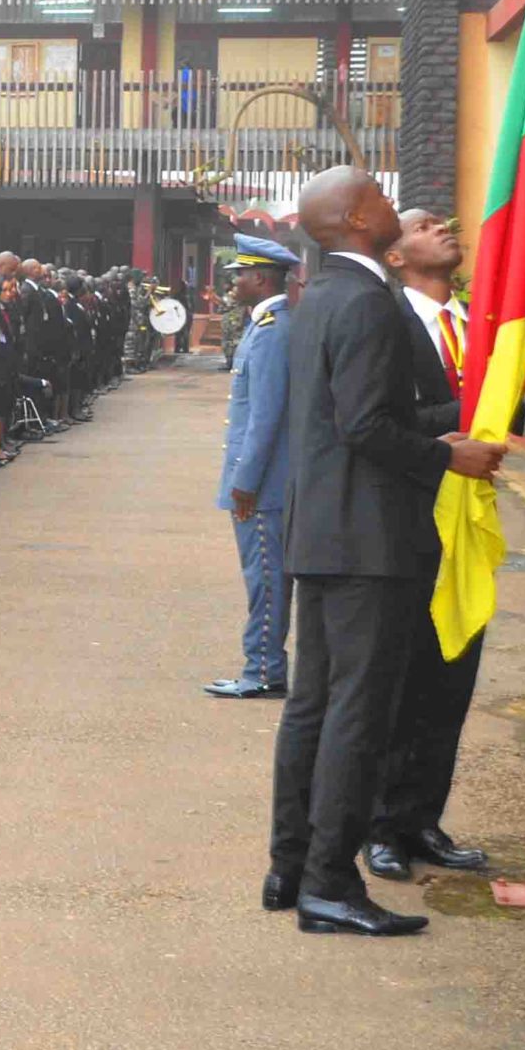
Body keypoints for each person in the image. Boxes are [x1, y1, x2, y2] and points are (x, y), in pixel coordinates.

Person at [265, 167, 503, 939]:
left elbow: (349, 419)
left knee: (314, 707)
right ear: (362, 217)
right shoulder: (368, 300)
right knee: (355, 718)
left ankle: (293, 865)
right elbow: (368, 425)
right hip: (371, 538)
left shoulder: (322, 294)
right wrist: (448, 455)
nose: (396, 202)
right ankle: (330, 884)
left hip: (325, 530)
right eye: (381, 193)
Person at [364, 210, 525, 882]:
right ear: (395, 255)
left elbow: (524, 415)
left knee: (451, 679)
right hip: (407, 521)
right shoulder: (385, 321)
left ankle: (421, 821)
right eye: (425, 225)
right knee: (401, 680)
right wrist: (474, 413)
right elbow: (380, 420)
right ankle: (379, 826)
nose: (446, 231)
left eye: (448, 224)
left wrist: (523, 392)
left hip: (468, 524)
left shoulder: (479, 323)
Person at [205, 235, 299, 701]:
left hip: (263, 485)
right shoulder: (265, 324)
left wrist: (245, 481)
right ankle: (263, 664)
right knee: (265, 576)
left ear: (261, 278)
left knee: (266, 578)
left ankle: (262, 669)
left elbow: (266, 416)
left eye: (239, 274)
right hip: (262, 480)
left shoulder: (273, 330)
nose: (234, 281)